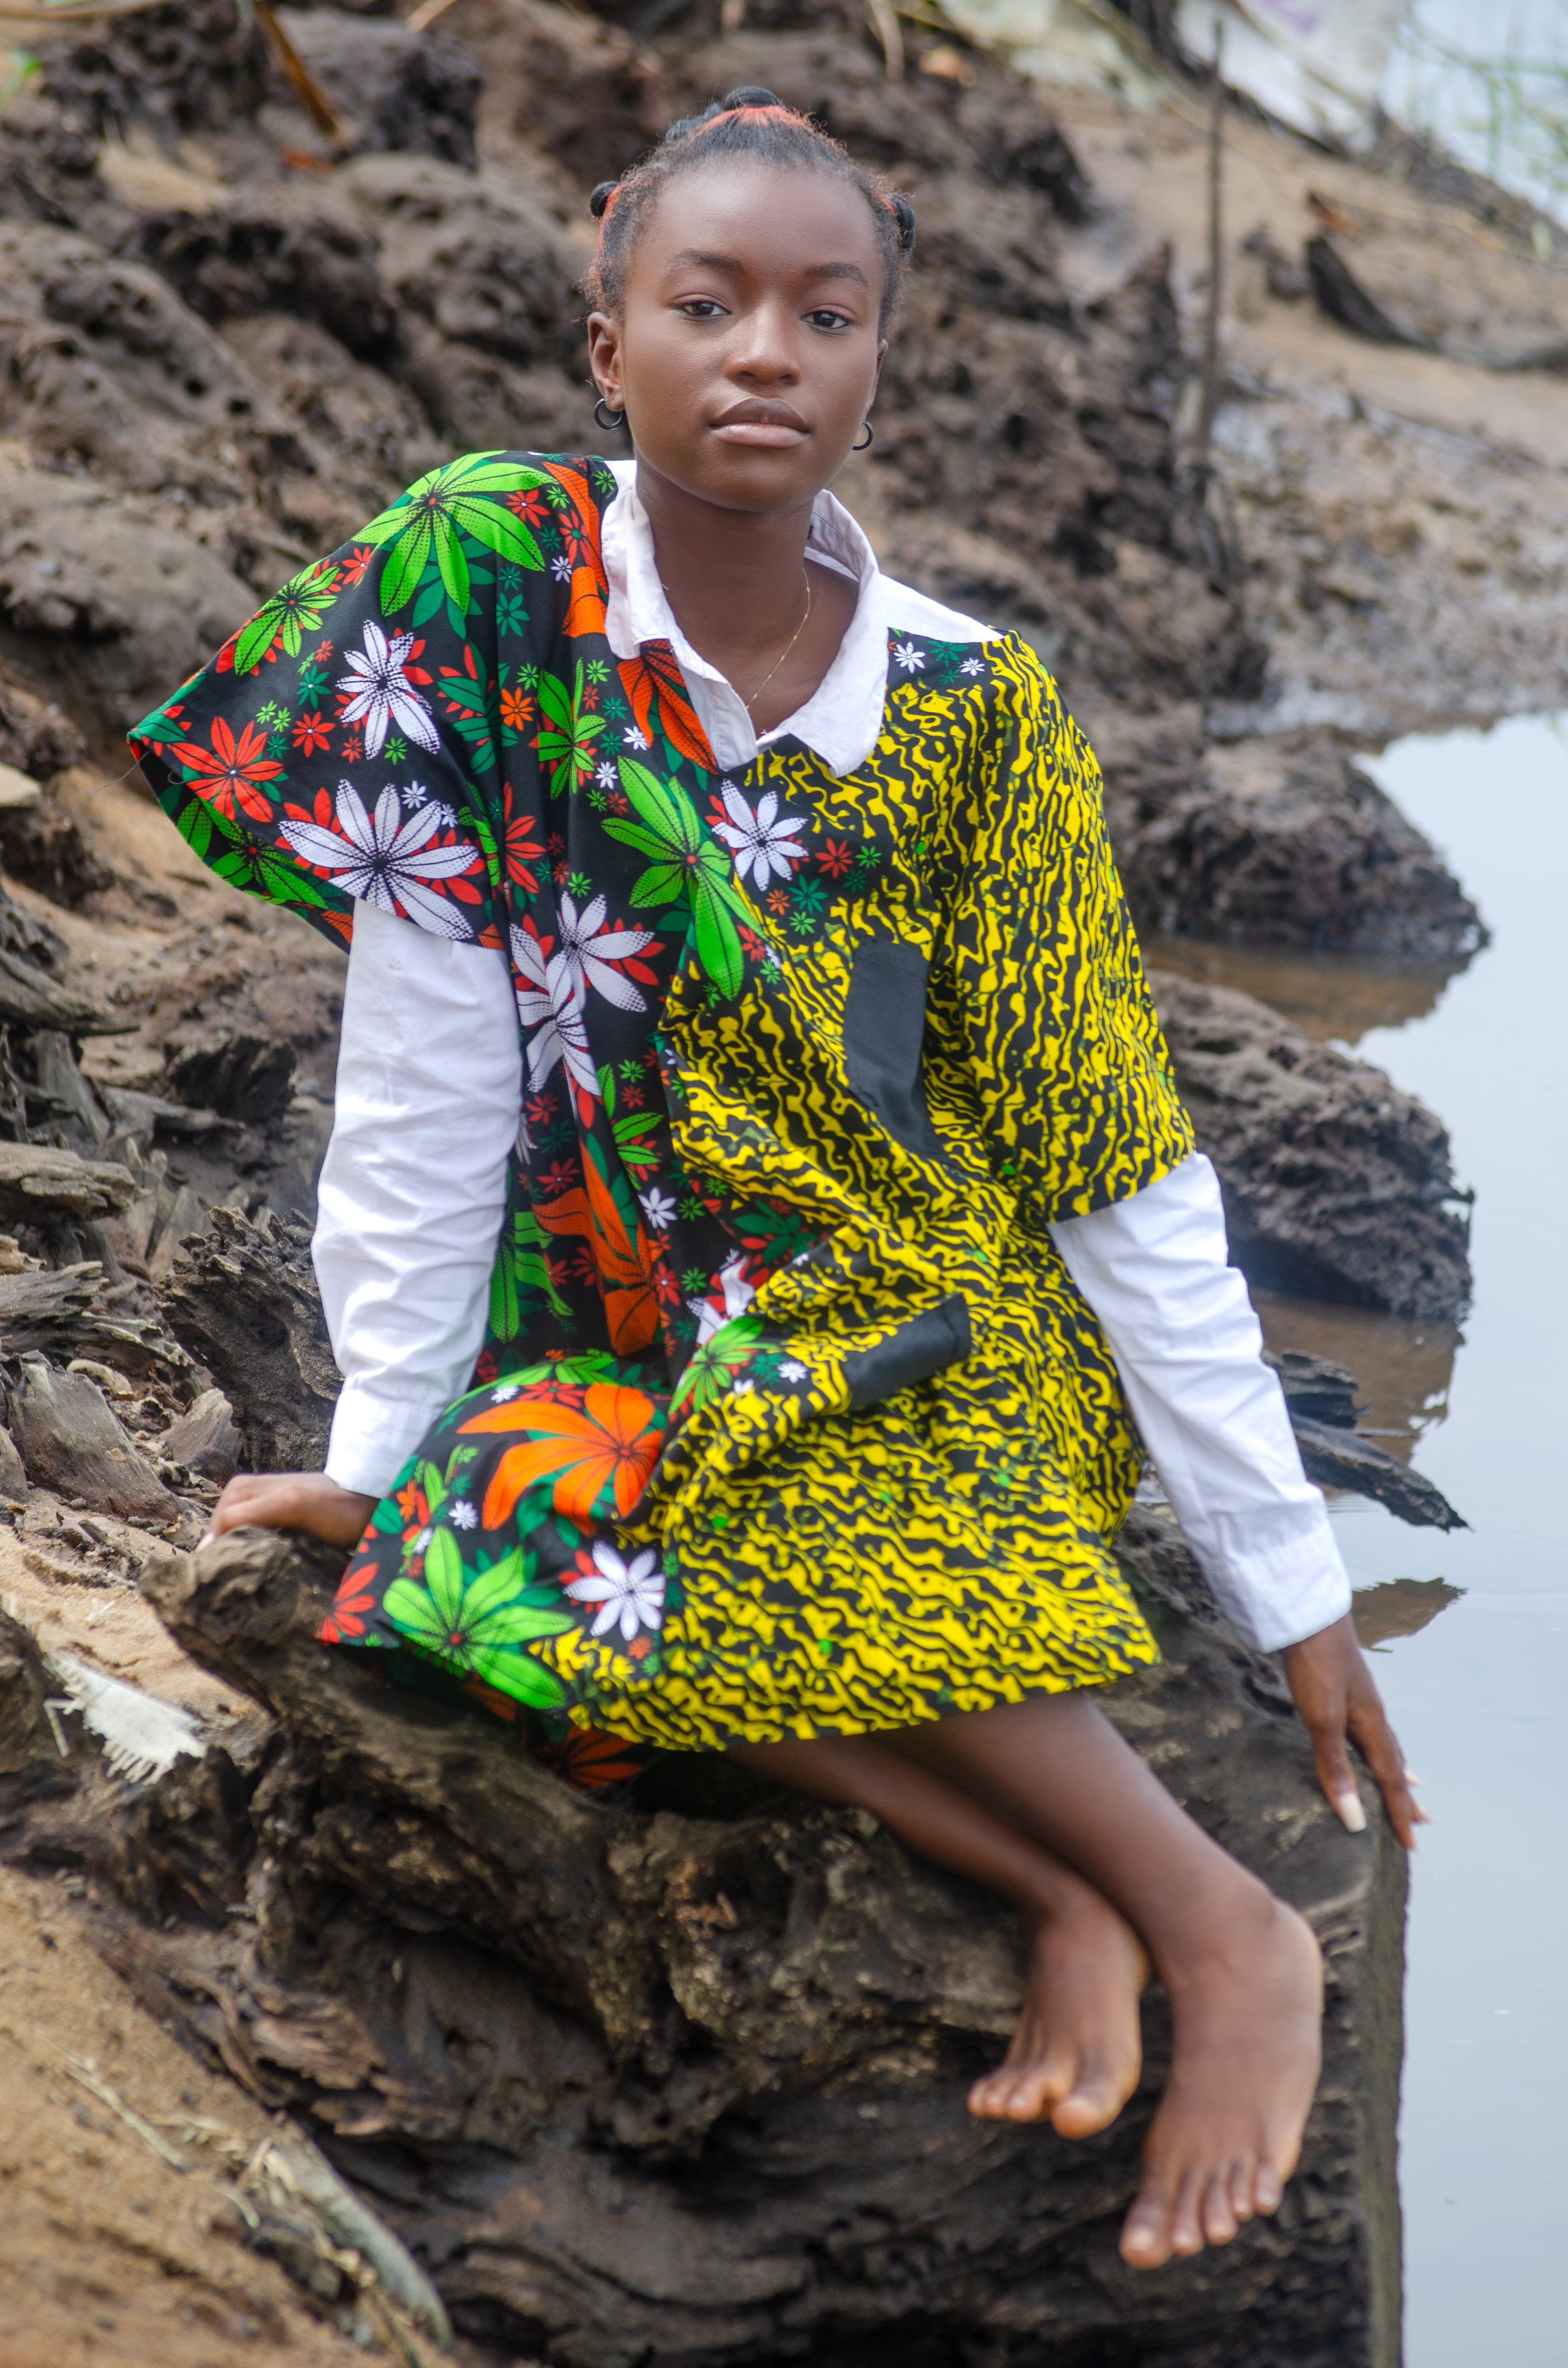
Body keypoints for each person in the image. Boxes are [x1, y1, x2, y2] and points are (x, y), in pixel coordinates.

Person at [130, 90, 1423, 2272]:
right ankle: (1066, 1888)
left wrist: (1287, 1581)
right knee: (454, 1577)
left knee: (786, 1466)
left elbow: (1117, 1164)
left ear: (880, 369)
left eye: (825, 314)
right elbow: (429, 1072)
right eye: (705, 301)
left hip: (922, 1318)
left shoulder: (971, 713)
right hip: (629, 1316)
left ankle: (1235, 1928)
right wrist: (385, 1439)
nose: (764, 351)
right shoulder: (486, 592)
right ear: (603, 337)